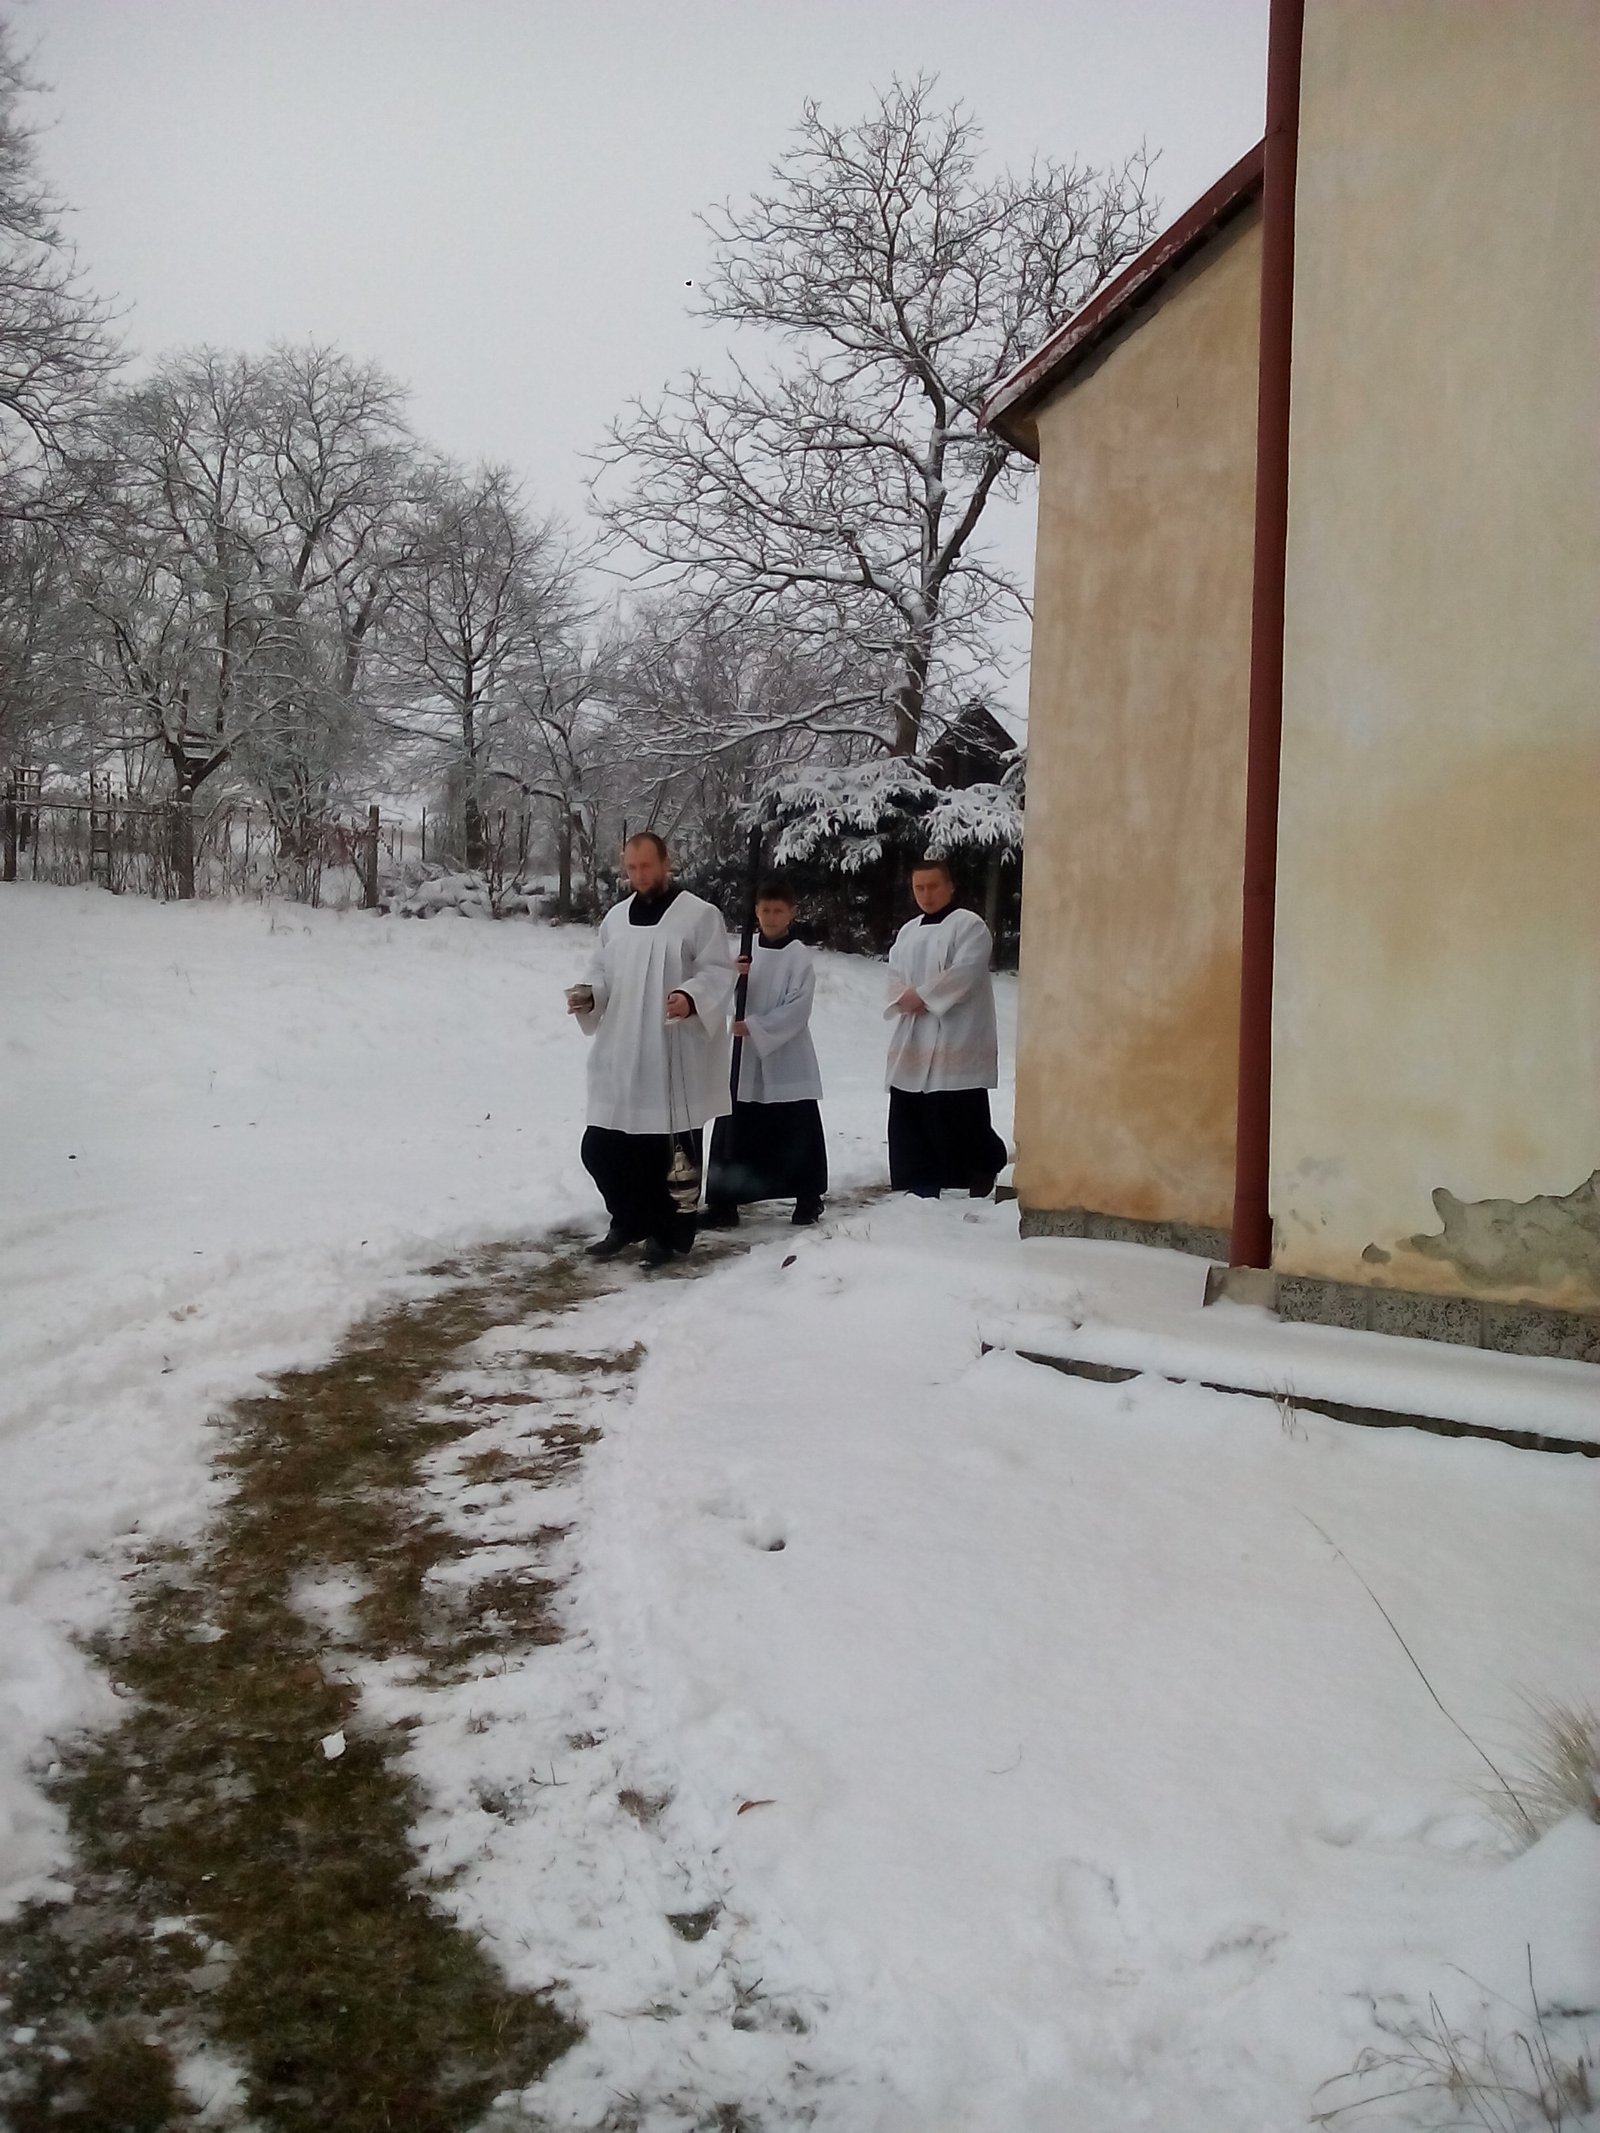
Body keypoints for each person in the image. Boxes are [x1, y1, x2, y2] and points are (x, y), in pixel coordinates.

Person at [567, 832, 735, 1267]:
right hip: (623, 1049)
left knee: (668, 1152)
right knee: (601, 1147)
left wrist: (691, 997)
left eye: (646, 865)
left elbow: (719, 971)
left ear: (665, 862)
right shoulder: (616, 919)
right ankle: (627, 1219)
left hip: (673, 1050)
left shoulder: (699, 915)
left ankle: (668, 1234)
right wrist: (589, 996)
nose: (639, 875)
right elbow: (601, 971)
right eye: (632, 867)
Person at [703, 877, 828, 1229]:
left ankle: (807, 1198)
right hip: (745, 1059)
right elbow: (719, 993)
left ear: (791, 913)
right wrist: (734, 976)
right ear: (755, 912)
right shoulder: (745, 951)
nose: (771, 917)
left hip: (786, 1056)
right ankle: (724, 1201)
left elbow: (798, 1007)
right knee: (736, 1126)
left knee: (795, 1128)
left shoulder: (798, 956)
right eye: (765, 910)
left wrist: (756, 1027)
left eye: (778, 910)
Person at [883, 858, 1007, 1199]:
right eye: (919, 888)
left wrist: (924, 996)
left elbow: (965, 971)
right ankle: (918, 1182)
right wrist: (903, 998)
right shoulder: (908, 931)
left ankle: (980, 1168)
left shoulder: (969, 925)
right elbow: (894, 973)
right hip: (914, 1033)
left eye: (933, 886)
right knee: (912, 1109)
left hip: (957, 1031)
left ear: (950, 886)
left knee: (958, 1111)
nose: (926, 894)